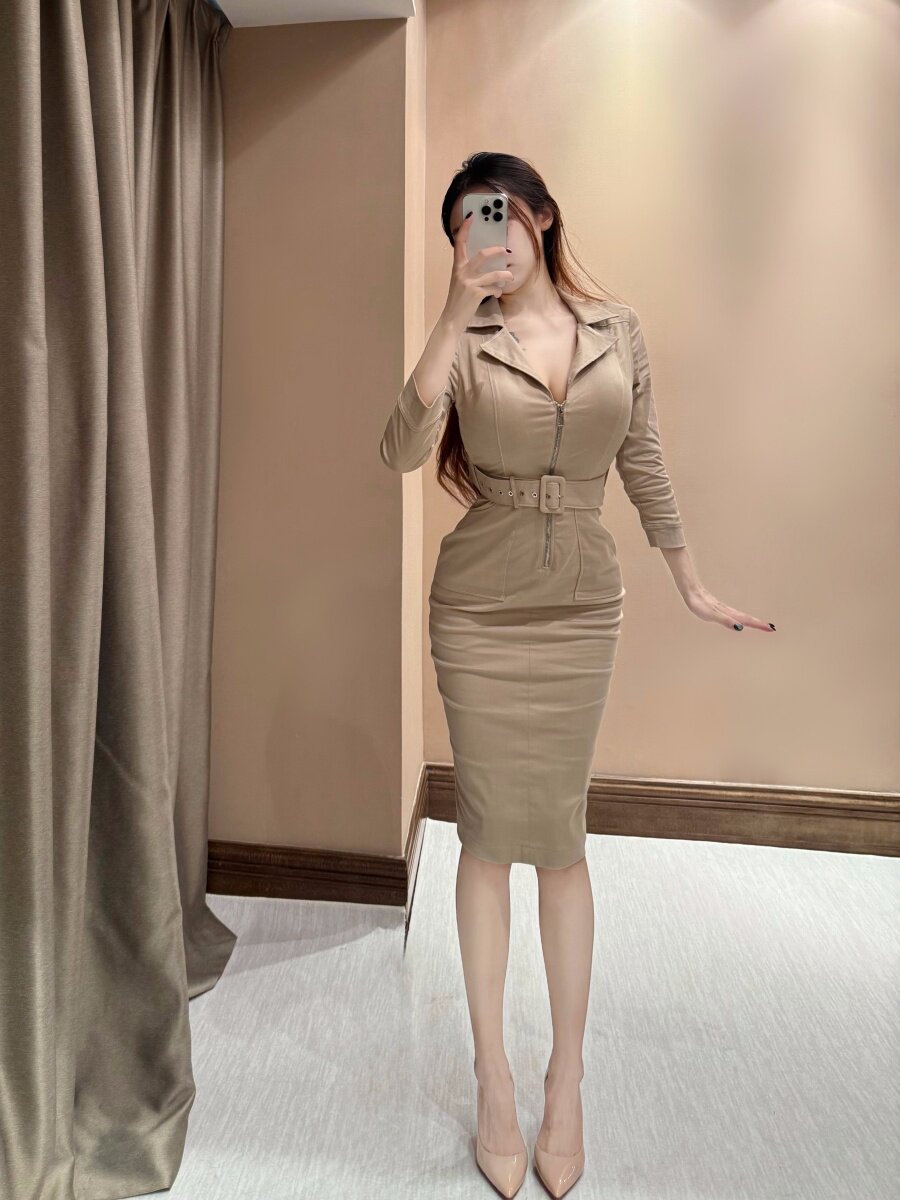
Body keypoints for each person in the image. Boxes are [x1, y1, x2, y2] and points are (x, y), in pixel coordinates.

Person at [379, 152, 775, 1198]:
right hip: (479, 610)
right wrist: (450, 315)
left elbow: (642, 459)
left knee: (558, 838)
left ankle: (566, 1080)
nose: (487, 238)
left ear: (543, 218)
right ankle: (494, 1079)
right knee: (485, 834)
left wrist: (691, 583)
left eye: (499, 216)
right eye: (466, 227)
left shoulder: (618, 331)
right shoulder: (465, 339)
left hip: (581, 609)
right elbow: (400, 448)